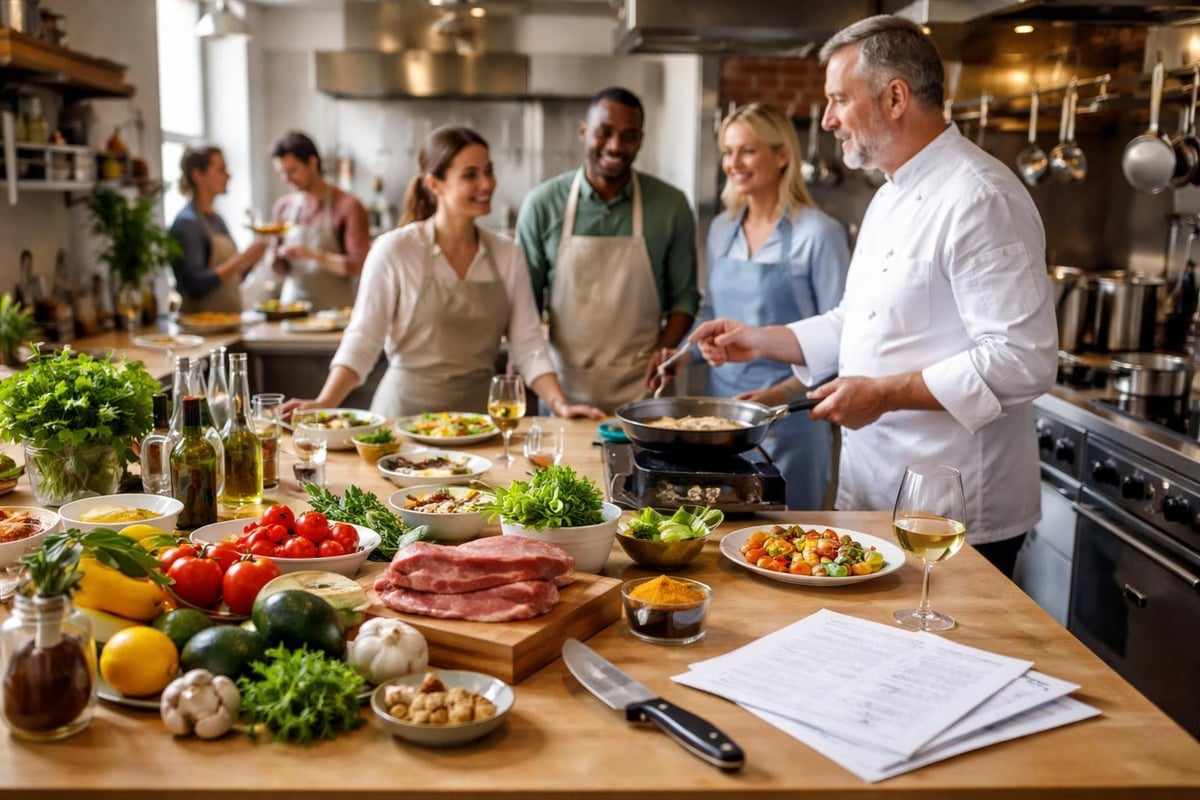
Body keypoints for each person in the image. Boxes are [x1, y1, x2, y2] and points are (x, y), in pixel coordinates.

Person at [691, 15, 1057, 577]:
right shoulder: (889, 195)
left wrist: (886, 394)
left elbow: (1022, 360)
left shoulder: (980, 198)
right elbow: (855, 322)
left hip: (954, 516)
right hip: (875, 493)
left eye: (839, 99)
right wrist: (758, 340)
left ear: (894, 98)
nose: (830, 118)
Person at [284, 126, 605, 421]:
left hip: (482, 426)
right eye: (471, 175)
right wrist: (324, 402)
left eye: (489, 172)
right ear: (434, 184)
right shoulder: (395, 250)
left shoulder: (507, 254)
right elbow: (364, 339)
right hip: (402, 423)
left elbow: (528, 343)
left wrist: (559, 404)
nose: (487, 184)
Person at [696, 102, 849, 510]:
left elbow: (843, 340)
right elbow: (711, 312)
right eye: (728, 152)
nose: (734, 163)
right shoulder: (720, 229)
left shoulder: (819, 234)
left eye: (747, 150)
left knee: (789, 542)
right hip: (722, 421)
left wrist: (778, 396)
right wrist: (694, 350)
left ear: (782, 156)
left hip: (790, 419)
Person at [516, 86, 700, 413]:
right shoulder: (543, 204)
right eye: (605, 133)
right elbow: (524, 305)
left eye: (629, 136)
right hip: (563, 391)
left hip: (643, 392)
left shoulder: (671, 206)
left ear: (641, 140)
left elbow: (684, 298)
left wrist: (665, 348)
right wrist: (529, 367)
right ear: (583, 131)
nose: (616, 146)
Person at [268, 131, 370, 310]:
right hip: (292, 309)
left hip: (335, 311)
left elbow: (359, 265)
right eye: (281, 173)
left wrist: (313, 256)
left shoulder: (348, 205)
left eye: (292, 171)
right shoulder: (283, 207)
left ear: (313, 163)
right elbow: (280, 270)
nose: (287, 179)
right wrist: (274, 258)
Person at [169, 146, 268, 314]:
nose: (228, 175)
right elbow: (193, 284)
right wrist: (241, 258)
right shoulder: (188, 223)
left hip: (228, 323)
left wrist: (250, 263)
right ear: (198, 175)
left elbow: (229, 281)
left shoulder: (217, 219)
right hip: (201, 330)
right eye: (221, 170)